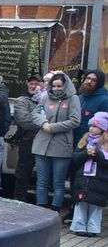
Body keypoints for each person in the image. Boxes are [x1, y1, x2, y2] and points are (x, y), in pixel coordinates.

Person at [31, 72, 80, 210]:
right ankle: (40, 207)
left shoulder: (73, 99)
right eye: (54, 86)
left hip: (61, 146)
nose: (56, 89)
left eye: (59, 86)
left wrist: (53, 127)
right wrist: (44, 123)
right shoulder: (46, 97)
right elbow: (35, 113)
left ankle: (55, 208)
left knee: (58, 182)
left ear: (65, 85)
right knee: (41, 181)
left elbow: (75, 121)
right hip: (42, 145)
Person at [71, 112, 108, 236]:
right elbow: (75, 158)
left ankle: (93, 228)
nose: (92, 128)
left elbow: (105, 163)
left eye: (95, 126)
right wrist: (86, 154)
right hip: (83, 178)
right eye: (90, 126)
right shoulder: (84, 140)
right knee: (81, 203)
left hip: (99, 180)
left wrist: (96, 154)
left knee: (95, 205)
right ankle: (79, 226)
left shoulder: (105, 145)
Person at [10, 74, 44, 203]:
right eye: (31, 83)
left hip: (46, 142)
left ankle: (42, 204)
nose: (33, 86)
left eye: (36, 84)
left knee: (44, 175)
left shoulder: (47, 99)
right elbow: (24, 121)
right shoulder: (21, 101)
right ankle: (19, 201)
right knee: (22, 174)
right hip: (27, 141)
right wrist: (46, 124)